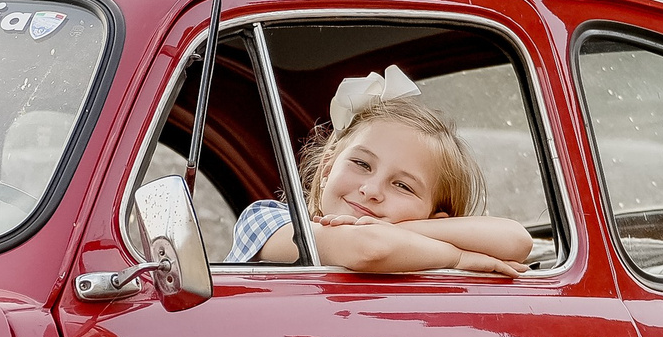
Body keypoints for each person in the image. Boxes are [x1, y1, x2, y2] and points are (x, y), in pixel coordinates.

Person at [226, 67, 533, 275]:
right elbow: (369, 248)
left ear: (436, 220)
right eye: (361, 164)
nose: (371, 190)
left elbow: (516, 241)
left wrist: (399, 232)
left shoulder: (416, 257)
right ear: (327, 168)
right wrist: (459, 257)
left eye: (403, 186)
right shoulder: (268, 221)